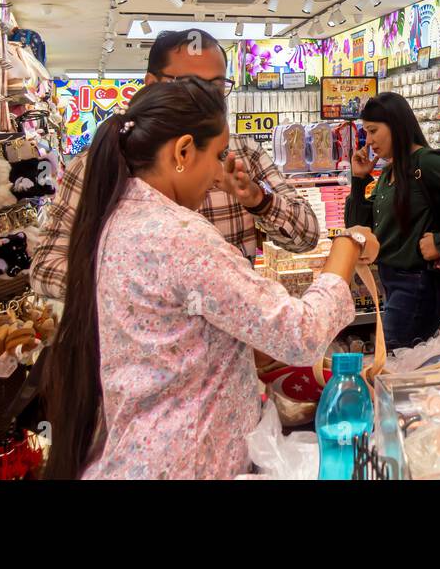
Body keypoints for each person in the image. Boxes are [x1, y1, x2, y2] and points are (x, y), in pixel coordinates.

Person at [41, 79, 377, 479]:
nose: (220, 173)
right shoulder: (179, 234)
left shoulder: (119, 218)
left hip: (149, 452)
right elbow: (301, 333)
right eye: (217, 156)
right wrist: (349, 242)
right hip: (187, 460)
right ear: (183, 151)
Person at [31, 29, 319, 301]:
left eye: (217, 87)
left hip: (228, 346)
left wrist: (258, 199)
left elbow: (307, 236)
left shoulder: (243, 154)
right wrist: (150, 291)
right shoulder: (97, 164)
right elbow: (46, 268)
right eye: (190, 85)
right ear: (151, 85)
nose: (207, 98)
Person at [346, 92, 440, 349]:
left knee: (390, 363)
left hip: (418, 285)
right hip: (391, 282)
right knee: (398, 364)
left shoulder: (427, 162)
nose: (369, 141)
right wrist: (359, 180)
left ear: (396, 125)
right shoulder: (390, 170)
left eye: (374, 130)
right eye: (366, 132)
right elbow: (357, 230)